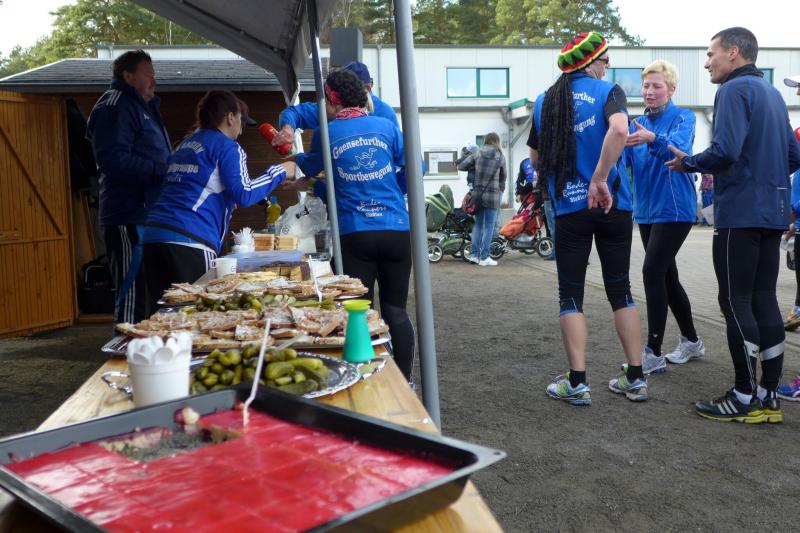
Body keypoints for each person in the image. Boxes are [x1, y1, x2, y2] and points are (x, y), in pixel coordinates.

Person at [666, 27, 800, 423]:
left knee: (734, 300)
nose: (707, 63)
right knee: (764, 299)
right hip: (773, 213)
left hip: (740, 213)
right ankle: (769, 397)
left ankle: (743, 395)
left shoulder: (732, 90)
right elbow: (794, 155)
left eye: (711, 54)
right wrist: (765, 175)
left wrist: (688, 162)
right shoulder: (773, 94)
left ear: (734, 53)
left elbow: (725, 151)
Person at [528, 32, 645, 405]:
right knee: (620, 289)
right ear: (590, 61)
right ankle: (635, 377)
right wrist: (600, 177)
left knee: (570, 294)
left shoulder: (545, 101)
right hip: (614, 205)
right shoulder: (609, 91)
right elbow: (620, 129)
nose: (608, 66)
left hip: (570, 208)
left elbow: (535, 159)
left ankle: (577, 382)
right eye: (605, 59)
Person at [292, 68, 415, 382]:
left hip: (355, 233)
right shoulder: (386, 126)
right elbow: (417, 165)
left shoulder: (328, 132)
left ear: (333, 100)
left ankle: (364, 379)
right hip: (395, 230)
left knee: (357, 311)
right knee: (396, 311)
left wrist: (296, 159)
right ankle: (405, 381)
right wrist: (394, 188)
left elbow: (311, 166)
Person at [141, 91, 294, 312]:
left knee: (160, 316)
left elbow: (189, 187)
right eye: (241, 121)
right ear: (230, 117)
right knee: (197, 313)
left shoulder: (184, 145)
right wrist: (280, 171)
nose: (241, 130)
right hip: (191, 239)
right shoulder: (227, 147)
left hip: (153, 236)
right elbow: (245, 194)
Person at [624, 60, 705, 374]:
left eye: (657, 86)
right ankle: (692, 341)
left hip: (674, 208)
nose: (649, 91)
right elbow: (623, 161)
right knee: (667, 277)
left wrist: (652, 139)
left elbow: (679, 151)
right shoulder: (635, 123)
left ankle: (653, 353)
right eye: (646, 86)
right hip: (646, 211)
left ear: (671, 89)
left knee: (651, 272)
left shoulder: (684, 117)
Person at [86, 49, 171, 324]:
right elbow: (113, 160)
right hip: (127, 214)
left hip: (148, 213)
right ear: (128, 76)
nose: (154, 81)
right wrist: (162, 170)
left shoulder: (144, 107)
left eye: (154, 75)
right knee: (132, 292)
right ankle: (124, 347)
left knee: (150, 291)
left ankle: (144, 347)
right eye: (147, 75)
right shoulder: (115, 105)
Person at [272, 60, 398, 149]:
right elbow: (295, 112)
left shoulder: (385, 114)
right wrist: (288, 128)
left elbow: (400, 157)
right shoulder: (331, 109)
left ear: (367, 89)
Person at [457, 133, 506, 267]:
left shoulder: (477, 154)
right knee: (489, 226)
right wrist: (499, 190)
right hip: (493, 196)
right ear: (496, 141)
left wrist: (474, 167)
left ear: (486, 140)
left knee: (478, 225)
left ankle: (473, 255)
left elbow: (461, 166)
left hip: (478, 195)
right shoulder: (500, 156)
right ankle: (484, 257)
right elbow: (503, 177)